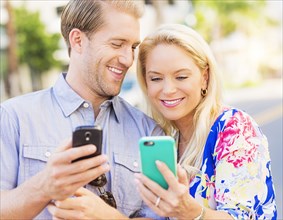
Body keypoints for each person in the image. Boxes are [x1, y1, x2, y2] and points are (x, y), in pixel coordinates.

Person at [48, 24, 277, 220]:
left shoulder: (233, 129)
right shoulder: (161, 138)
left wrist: (190, 211)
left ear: (204, 77)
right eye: (156, 78)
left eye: (181, 76)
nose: (168, 90)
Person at [0, 1, 165, 219]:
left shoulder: (149, 132)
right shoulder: (13, 117)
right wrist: (45, 186)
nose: (128, 60)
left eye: (133, 47)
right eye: (117, 44)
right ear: (77, 40)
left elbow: (164, 214)